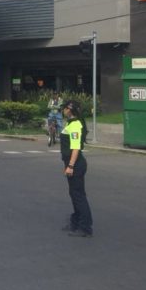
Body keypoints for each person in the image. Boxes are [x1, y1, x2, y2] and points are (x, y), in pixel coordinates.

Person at [59, 100, 93, 238]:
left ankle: (85, 227)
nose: (63, 110)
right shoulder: (71, 123)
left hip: (76, 164)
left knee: (78, 195)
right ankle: (76, 222)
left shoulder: (75, 125)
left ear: (69, 110)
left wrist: (70, 166)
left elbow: (75, 147)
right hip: (71, 163)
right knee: (74, 194)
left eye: (65, 108)